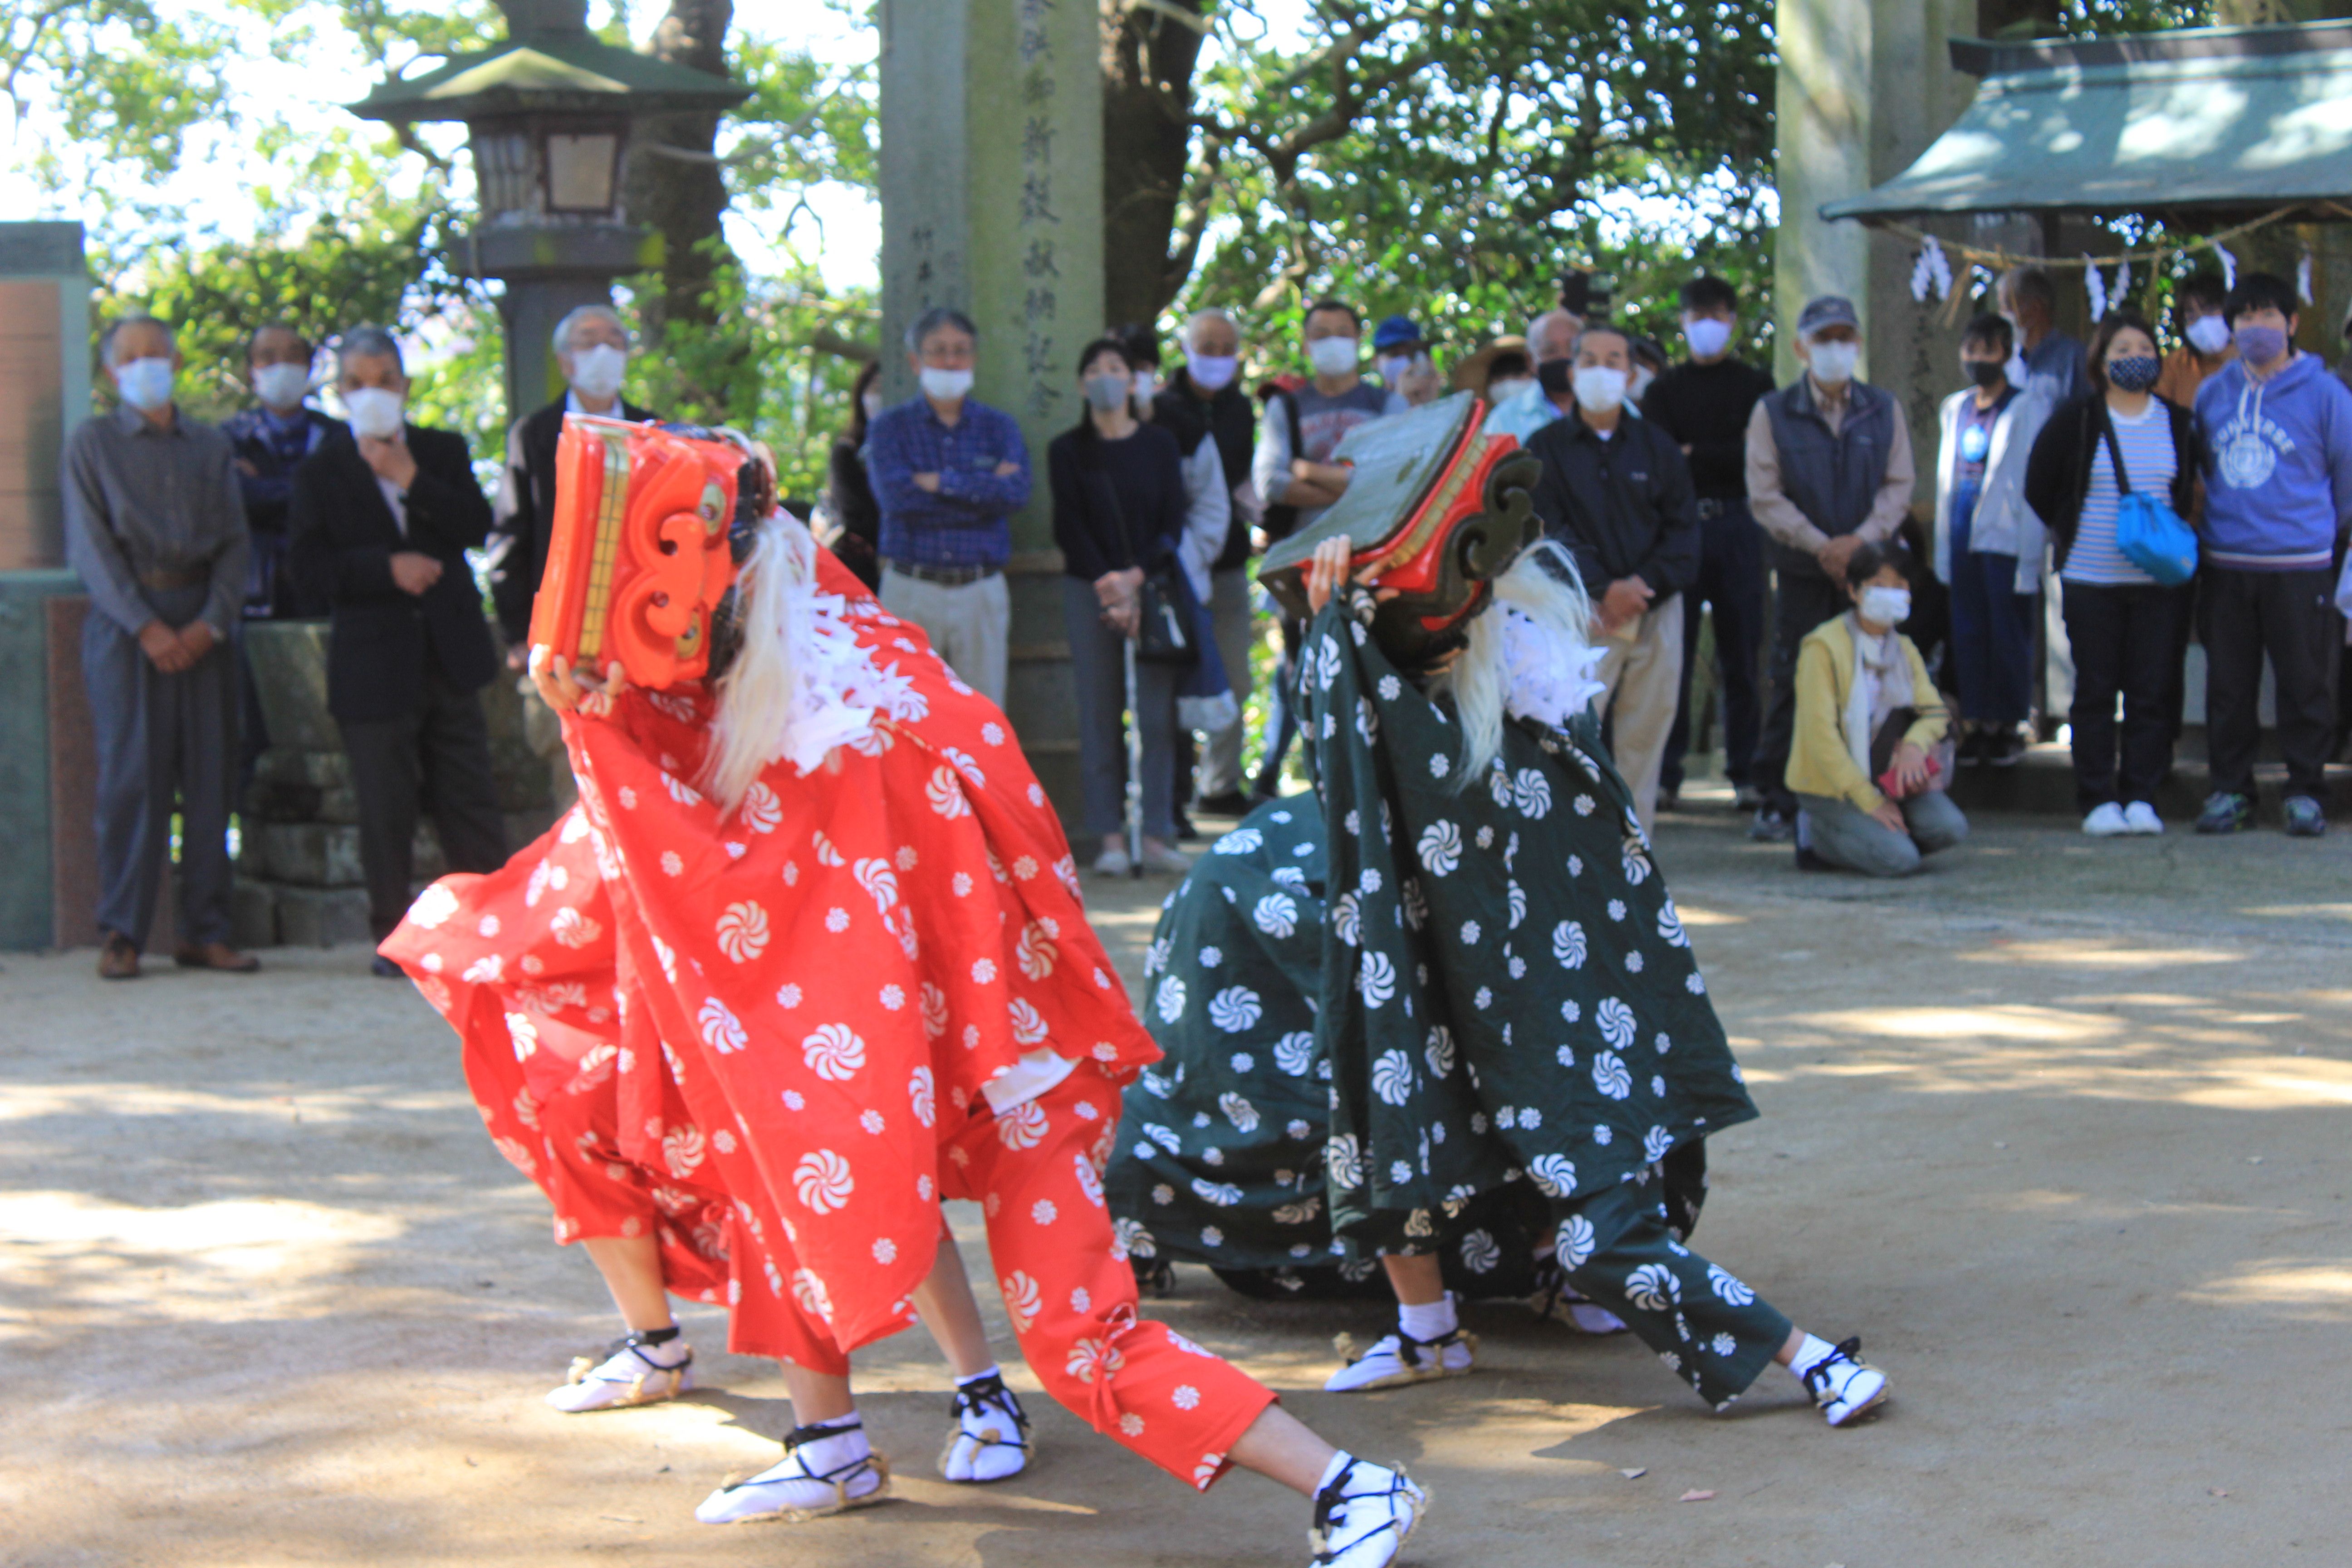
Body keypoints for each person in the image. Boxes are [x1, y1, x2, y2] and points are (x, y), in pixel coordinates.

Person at [388, 500, 1426, 1561]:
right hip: (963, 1050)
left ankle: (1350, 1482)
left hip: (1014, 1067)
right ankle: (829, 1440)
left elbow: (694, 852)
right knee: (786, 1159)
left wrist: (593, 721)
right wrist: (609, 704)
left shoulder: (816, 745)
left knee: (1076, 1339)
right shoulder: (887, 662)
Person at [1212, 532, 1894, 1428]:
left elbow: (1368, 733)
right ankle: (1429, 1329)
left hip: (1546, 1021)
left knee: (1598, 1229)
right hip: (1480, 994)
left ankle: (1805, 1358)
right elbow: (1362, 742)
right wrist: (1338, 631)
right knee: (1385, 1125)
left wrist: (1341, 634)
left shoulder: (1507, 733)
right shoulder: (1511, 722)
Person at [288, 327, 508, 975]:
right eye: (357, 382)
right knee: (385, 806)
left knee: (468, 798)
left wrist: (409, 476)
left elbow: (477, 526)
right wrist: (387, 569)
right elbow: (307, 570)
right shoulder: (320, 468)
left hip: (450, 651)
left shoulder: (442, 450)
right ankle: (396, 939)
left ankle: (494, 929)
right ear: (339, 393)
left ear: (406, 386)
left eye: (385, 379)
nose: (374, 393)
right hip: (372, 663)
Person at [63, 315, 256, 980]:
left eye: (158, 354)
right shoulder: (92, 444)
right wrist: (146, 627)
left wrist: (211, 623)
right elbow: (90, 546)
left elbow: (236, 542)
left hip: (205, 622)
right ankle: (123, 931)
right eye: (131, 357)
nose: (147, 366)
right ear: (112, 373)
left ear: (176, 362)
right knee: (132, 781)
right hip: (128, 627)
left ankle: (207, 930)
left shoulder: (209, 445)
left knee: (210, 780)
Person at [1744, 294, 1917, 841]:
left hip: (1870, 576)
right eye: (1823, 339)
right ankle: (1778, 797)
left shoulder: (1883, 408)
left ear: (1859, 344)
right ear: (1802, 347)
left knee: (1873, 674)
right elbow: (1764, 494)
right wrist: (1822, 545)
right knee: (1793, 675)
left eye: (1844, 337)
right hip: (1801, 569)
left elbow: (1899, 484)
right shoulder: (1772, 412)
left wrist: (1860, 544)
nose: (1835, 349)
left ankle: (1875, 786)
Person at [2023, 309, 2201, 836]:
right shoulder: (2076, 420)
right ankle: (2097, 797)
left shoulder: (2178, 422)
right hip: (2089, 579)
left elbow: (2187, 487)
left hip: (2158, 582)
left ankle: (2142, 795)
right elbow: (2039, 485)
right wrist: (2071, 528)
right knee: (2096, 690)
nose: (2134, 359)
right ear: (2100, 361)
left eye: (2144, 350)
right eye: (2122, 351)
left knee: (2151, 689)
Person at [2190, 270, 2352, 837]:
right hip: (2227, 565)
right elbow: (2202, 471)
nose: (2255, 328)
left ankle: (2306, 791)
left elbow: (2346, 479)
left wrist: (2315, 533)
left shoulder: (2327, 393)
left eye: (2266, 316)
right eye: (2244, 317)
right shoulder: (2213, 393)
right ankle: (2230, 791)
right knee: (2229, 687)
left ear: (2293, 324)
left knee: (2305, 684)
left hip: (2301, 565)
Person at [1525, 324, 1700, 832]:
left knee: (1645, 737)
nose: (1603, 370)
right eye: (1591, 360)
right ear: (1574, 371)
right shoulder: (1546, 447)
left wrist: (1639, 589)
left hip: (1654, 608)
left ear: (1631, 373)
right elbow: (1543, 532)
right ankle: (1572, 850)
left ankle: (1635, 851)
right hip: (1578, 614)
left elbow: (1683, 535)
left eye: (1615, 360)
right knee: (1570, 733)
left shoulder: (1660, 449)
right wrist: (1602, 590)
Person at [488, 305, 661, 813]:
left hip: (641, 632)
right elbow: (509, 537)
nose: (604, 351)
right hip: (562, 635)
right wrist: (519, 633)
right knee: (577, 787)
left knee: (647, 785)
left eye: (615, 340)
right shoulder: (536, 434)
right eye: (589, 341)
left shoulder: (654, 433)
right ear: (565, 362)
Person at [1248, 299, 1407, 798]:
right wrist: (1351, 484)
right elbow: (1270, 482)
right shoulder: (1287, 406)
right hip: (1302, 569)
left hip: (1374, 567)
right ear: (1306, 343)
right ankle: (1318, 785)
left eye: (1343, 331)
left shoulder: (1388, 404)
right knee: (1305, 676)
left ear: (1359, 340)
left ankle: (1376, 786)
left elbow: (1394, 479)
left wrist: (1307, 470)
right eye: (1322, 333)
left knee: (1374, 676)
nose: (1333, 341)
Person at [1051, 338, 1192, 877]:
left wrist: (1136, 578)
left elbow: (1172, 521)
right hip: (1087, 590)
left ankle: (1156, 833)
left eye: (1117, 368)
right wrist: (1110, 587)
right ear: (1082, 382)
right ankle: (1109, 836)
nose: (1106, 378)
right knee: (1099, 713)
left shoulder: (1159, 443)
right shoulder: (1067, 449)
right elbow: (1069, 524)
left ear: (1134, 381)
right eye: (1095, 370)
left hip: (1153, 589)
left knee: (1157, 715)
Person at [1643, 274, 1777, 811]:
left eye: (1718, 314)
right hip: (1680, 531)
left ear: (1733, 320)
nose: (1707, 324)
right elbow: (1662, 461)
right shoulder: (1663, 390)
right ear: (1683, 321)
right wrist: (1714, 452)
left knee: (1742, 655)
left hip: (1741, 527)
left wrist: (1698, 452)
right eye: (1698, 314)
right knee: (1672, 654)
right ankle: (1668, 773)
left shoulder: (1756, 386)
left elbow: (1756, 458)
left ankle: (1745, 771)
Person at [866, 307, 1031, 708]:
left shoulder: (999, 428)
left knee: (984, 716)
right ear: (915, 360)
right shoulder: (890, 428)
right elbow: (897, 499)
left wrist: (940, 482)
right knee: (906, 713)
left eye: (960, 350)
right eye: (938, 350)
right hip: (910, 590)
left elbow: (1015, 495)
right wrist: (983, 489)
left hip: (981, 591)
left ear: (974, 357)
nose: (951, 360)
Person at [1787, 543, 1967, 876]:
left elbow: (1935, 712)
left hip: (1890, 777)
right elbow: (1821, 737)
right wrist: (1870, 801)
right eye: (1879, 586)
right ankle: (1816, 835)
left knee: (1949, 827)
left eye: (1900, 587)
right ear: (1854, 591)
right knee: (1899, 860)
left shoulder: (1904, 649)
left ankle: (1878, 836)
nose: (1892, 595)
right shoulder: (1823, 647)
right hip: (1833, 787)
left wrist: (1914, 746)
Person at [1934, 313, 2053, 767]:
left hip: (2005, 530)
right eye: (1971, 350)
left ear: (2005, 353)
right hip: (1962, 525)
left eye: (1988, 351)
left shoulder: (2026, 406)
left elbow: (2030, 478)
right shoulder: (1956, 407)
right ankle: (1976, 722)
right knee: (1968, 631)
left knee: (2007, 630)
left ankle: (2007, 724)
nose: (1977, 359)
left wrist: (2031, 551)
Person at [1156, 307, 1260, 818]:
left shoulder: (1242, 409)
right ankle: (1169, 794)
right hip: (1169, 569)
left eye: (1226, 349)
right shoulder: (1160, 407)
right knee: (1170, 681)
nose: (1217, 357)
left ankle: (1219, 786)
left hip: (1229, 564)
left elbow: (1244, 482)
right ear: (1187, 348)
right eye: (1207, 347)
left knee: (1236, 678)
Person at [221, 324, 340, 621]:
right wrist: (318, 490)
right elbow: (235, 503)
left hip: (332, 591)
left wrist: (265, 488)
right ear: (251, 371)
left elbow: (350, 505)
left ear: (310, 365)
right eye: (268, 357)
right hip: (257, 593)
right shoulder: (228, 439)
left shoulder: (341, 437)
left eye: (293, 356)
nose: (282, 365)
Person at [815, 360, 885, 592]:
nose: (881, 397)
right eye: (876, 389)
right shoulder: (847, 452)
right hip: (861, 573)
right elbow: (858, 516)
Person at [1482, 306, 1583, 443]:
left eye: (1572, 349)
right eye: (1551, 351)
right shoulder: (1505, 419)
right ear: (1531, 361)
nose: (1564, 357)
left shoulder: (1613, 408)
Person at [1998, 265, 2088, 407]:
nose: (2003, 317)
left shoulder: (2074, 357)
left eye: (2008, 308)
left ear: (2035, 308)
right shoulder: (2006, 359)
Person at [2153, 273, 2235, 407]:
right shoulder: (2175, 366)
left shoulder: (2258, 357)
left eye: (2211, 309)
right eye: (2191, 317)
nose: (2203, 321)